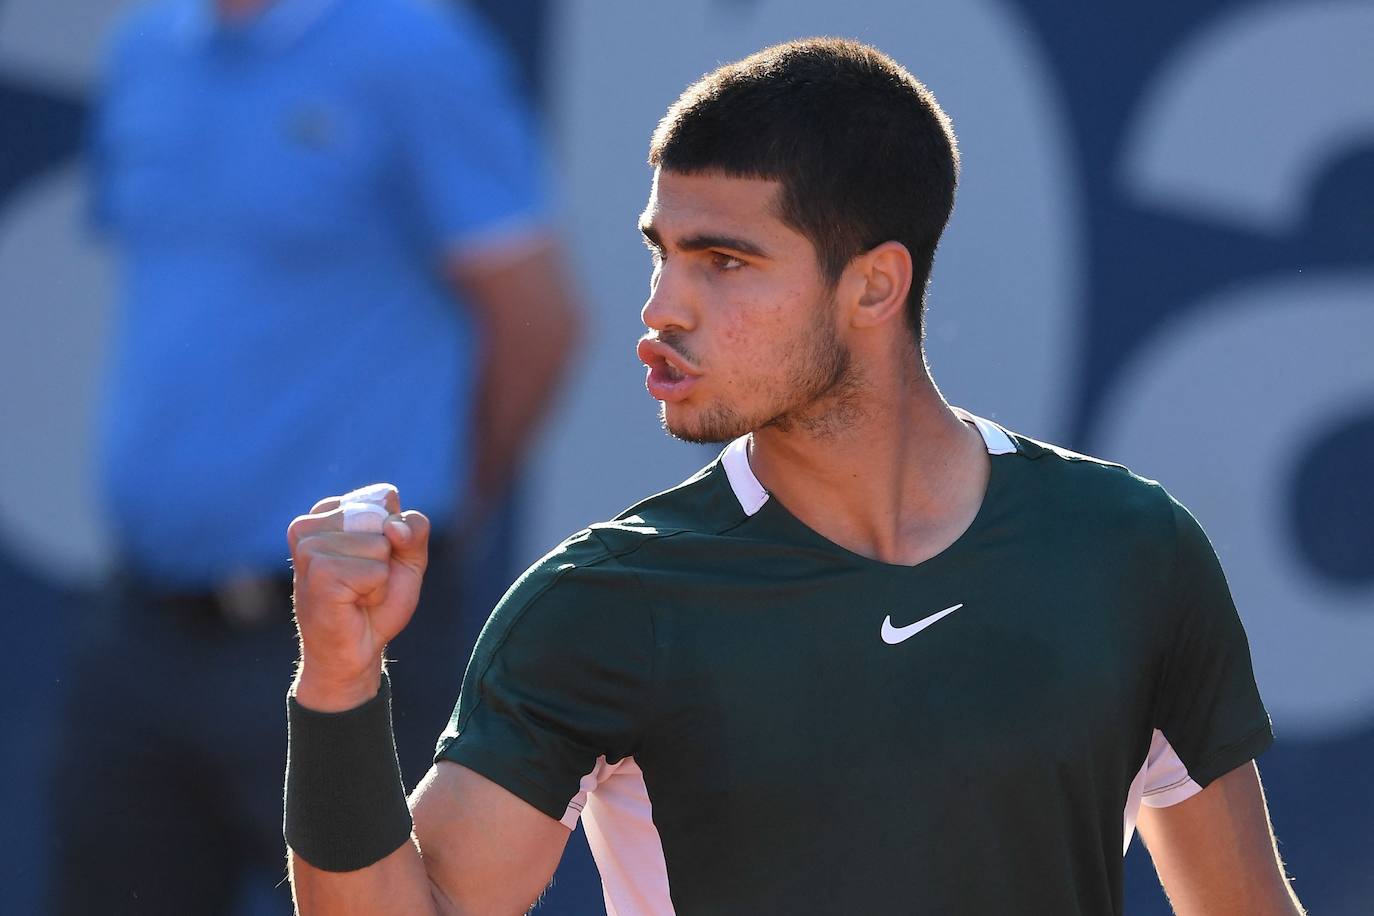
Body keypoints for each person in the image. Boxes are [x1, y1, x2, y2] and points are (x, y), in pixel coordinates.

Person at [282, 38, 1306, 915]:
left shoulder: (1131, 551)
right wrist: (337, 680)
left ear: (874, 285)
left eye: (722, 262)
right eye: (662, 255)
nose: (664, 309)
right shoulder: (600, 603)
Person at [48, 0, 583, 912]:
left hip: (349, 638)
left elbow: (536, 321)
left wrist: (430, 531)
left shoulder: (415, 52)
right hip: (140, 627)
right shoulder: (145, 50)